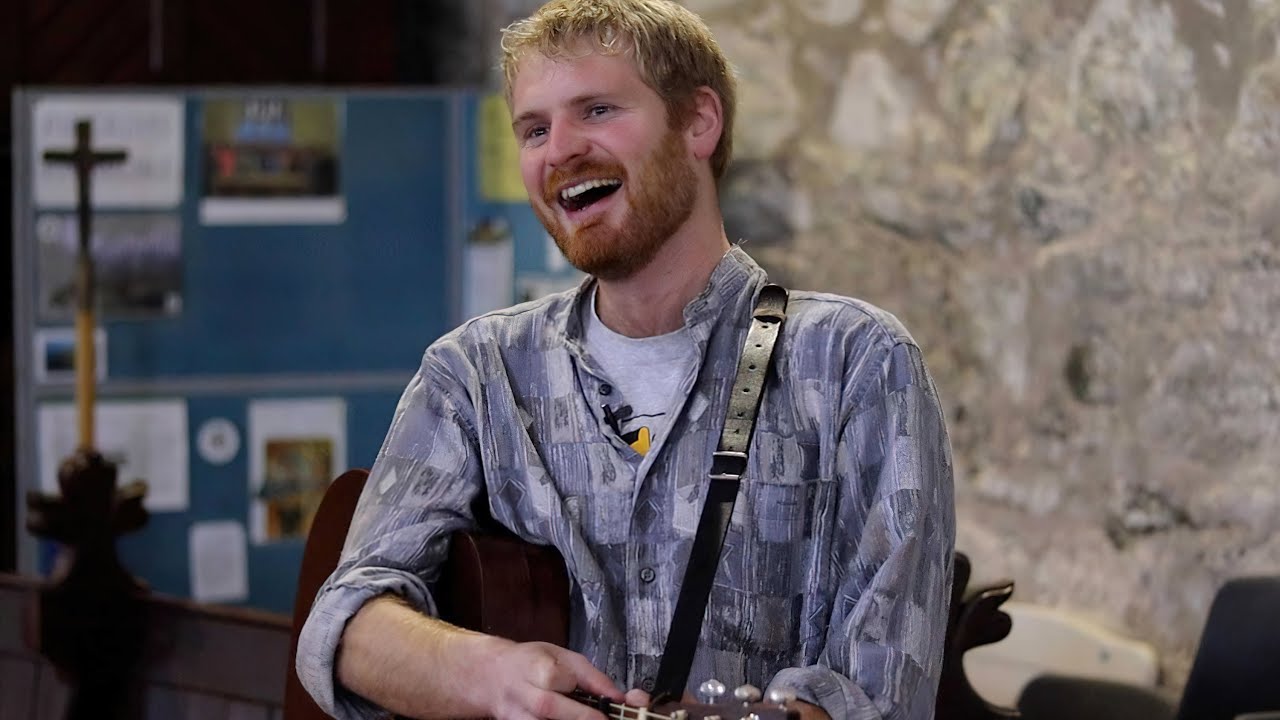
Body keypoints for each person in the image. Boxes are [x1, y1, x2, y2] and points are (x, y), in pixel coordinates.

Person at [296, 1, 956, 718]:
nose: (560, 150)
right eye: (535, 129)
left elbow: (884, 694)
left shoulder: (857, 363)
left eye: (598, 110)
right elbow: (342, 625)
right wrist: (488, 677)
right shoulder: (477, 372)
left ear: (699, 122)